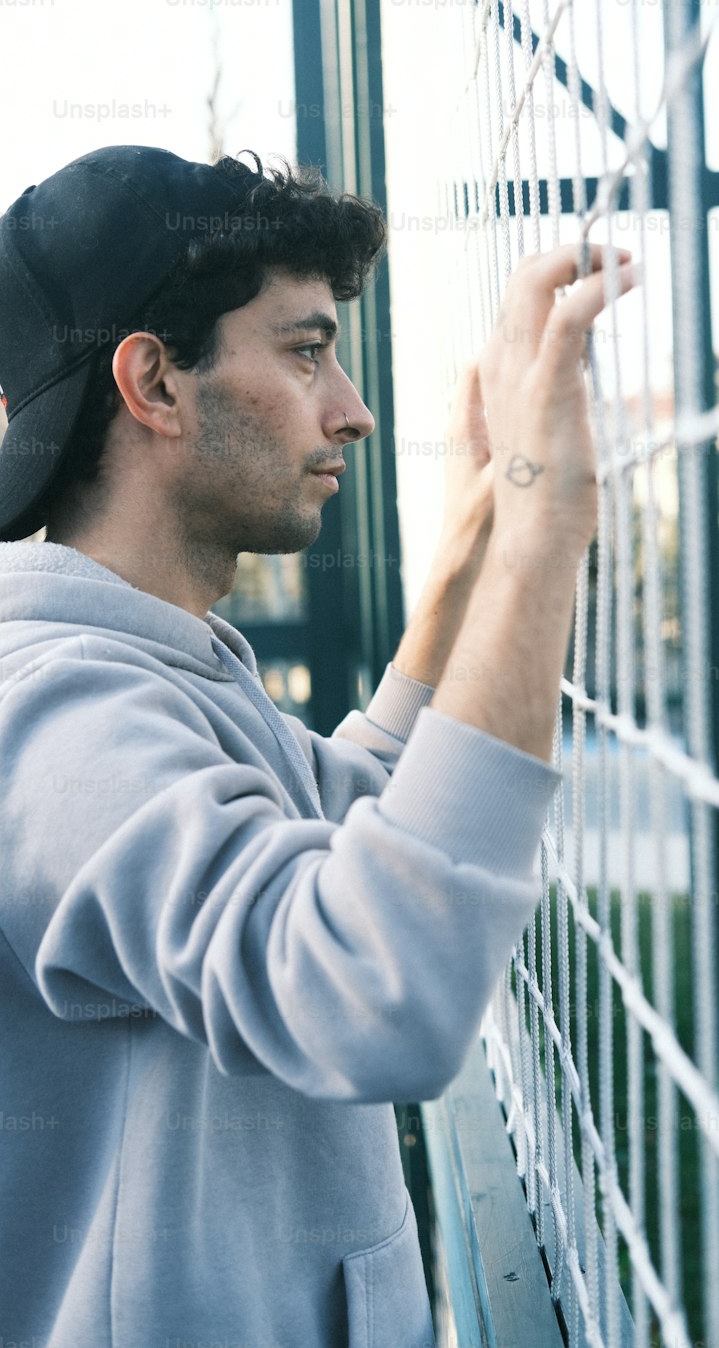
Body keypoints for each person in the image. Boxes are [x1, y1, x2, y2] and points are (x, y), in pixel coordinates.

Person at [0, 144, 635, 1347]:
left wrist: (472, 542)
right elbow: (368, 990)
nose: (353, 406)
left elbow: (352, 821)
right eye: (304, 349)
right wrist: (548, 523)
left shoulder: (161, 663)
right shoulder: (48, 713)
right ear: (155, 384)